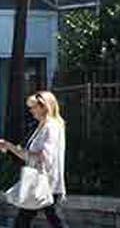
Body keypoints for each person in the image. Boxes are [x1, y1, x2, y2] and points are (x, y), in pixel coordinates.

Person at [0, 91, 66, 227]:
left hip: (46, 183)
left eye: (33, 107)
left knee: (44, 220)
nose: (30, 111)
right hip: (38, 182)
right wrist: (9, 147)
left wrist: (12, 148)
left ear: (44, 107)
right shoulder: (41, 127)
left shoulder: (51, 127)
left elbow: (44, 157)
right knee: (26, 221)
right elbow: (29, 156)